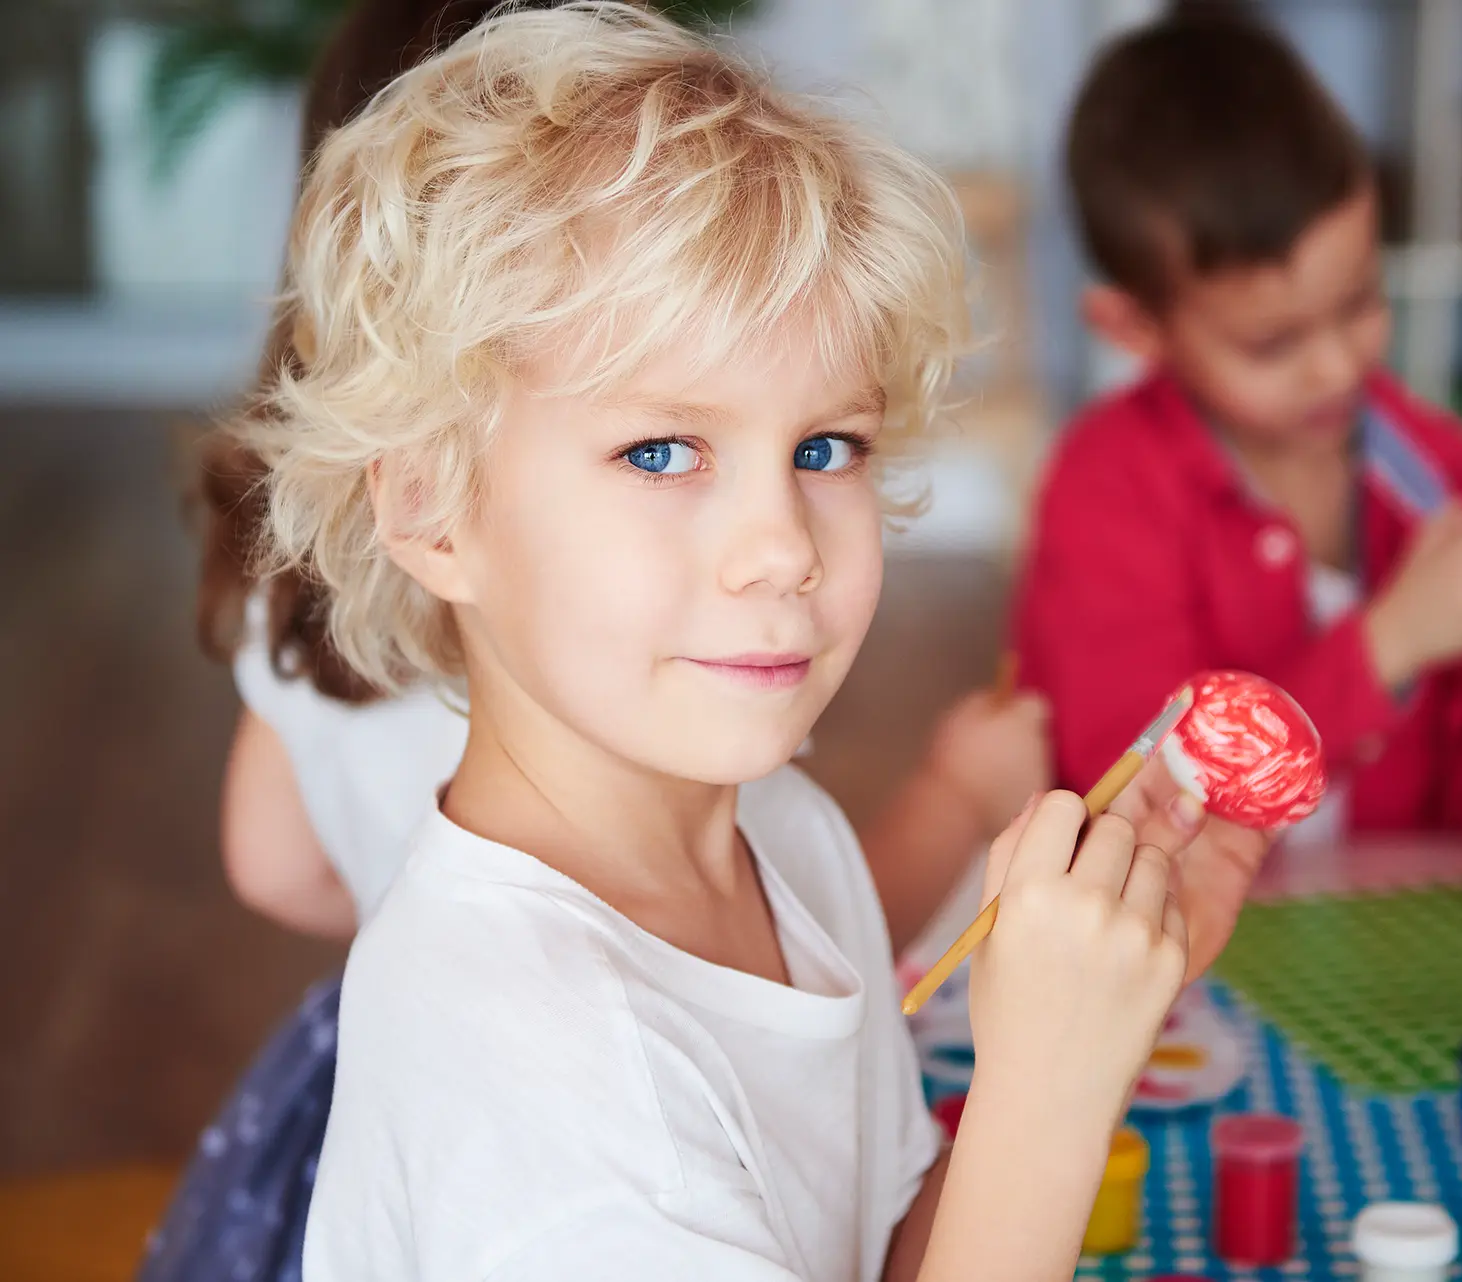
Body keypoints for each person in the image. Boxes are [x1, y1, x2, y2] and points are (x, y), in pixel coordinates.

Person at [231, 6, 1264, 1279]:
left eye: (825, 447)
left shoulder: (784, 837)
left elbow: (887, 1249)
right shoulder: (544, 1096)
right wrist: (1050, 1087)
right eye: (661, 451)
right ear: (428, 507)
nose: (782, 544)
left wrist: (1082, 1038)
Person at [1013, 1, 1462, 844]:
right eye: (1272, 344)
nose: (1336, 365)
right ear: (1133, 328)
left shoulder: (1440, 469)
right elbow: (1137, 788)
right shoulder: (1105, 485)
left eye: (1360, 301)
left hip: (1388, 943)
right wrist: (1389, 642)